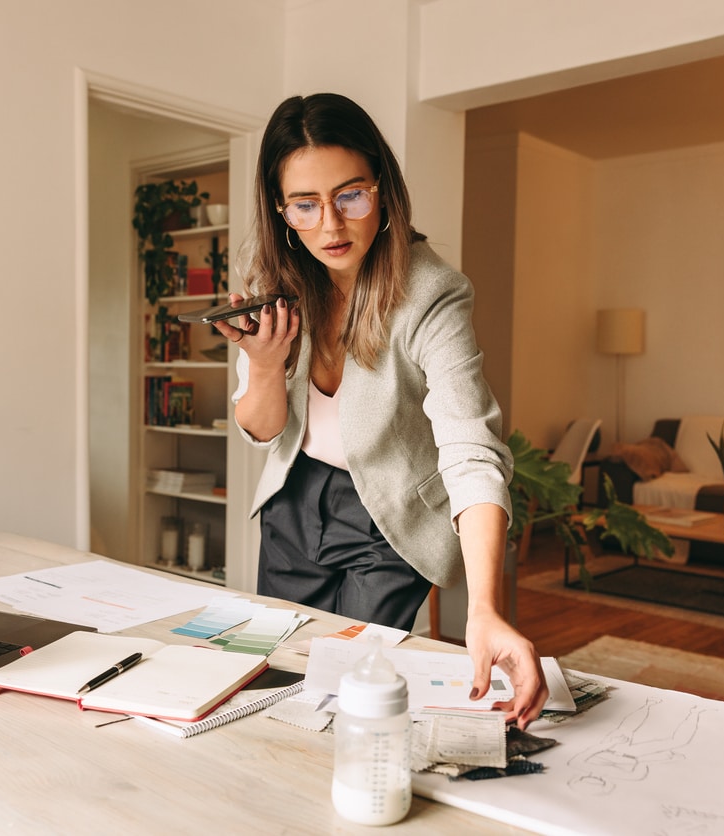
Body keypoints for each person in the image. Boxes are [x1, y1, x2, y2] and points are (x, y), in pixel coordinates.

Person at [214, 92, 546, 728]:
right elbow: (262, 430)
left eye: (351, 196)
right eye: (305, 206)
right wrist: (262, 365)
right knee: (283, 677)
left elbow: (471, 448)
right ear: (282, 212)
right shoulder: (279, 283)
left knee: (355, 693)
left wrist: (484, 607)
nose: (331, 226)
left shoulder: (432, 295)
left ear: (383, 191)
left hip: (386, 512)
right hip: (293, 502)